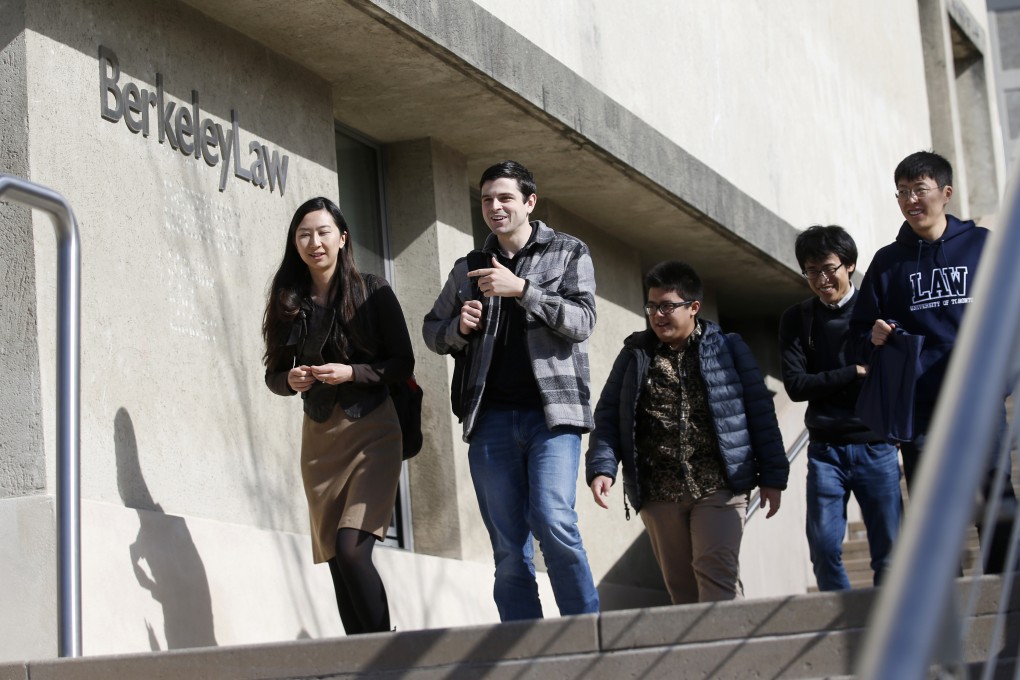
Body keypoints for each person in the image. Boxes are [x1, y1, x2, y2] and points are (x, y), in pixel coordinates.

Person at [422, 160, 600, 621]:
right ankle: (525, 648)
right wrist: (458, 327)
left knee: (554, 522)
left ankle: (587, 633)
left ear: (529, 203)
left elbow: (583, 322)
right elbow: (431, 330)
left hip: (552, 417)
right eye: (486, 199)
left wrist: (523, 290)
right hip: (490, 420)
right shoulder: (470, 267)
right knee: (507, 547)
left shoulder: (568, 252)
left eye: (504, 198)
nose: (495, 207)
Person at [586, 260, 789, 605]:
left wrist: (772, 475)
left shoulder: (728, 348)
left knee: (716, 577)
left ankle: (731, 655)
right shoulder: (635, 354)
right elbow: (608, 415)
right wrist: (602, 467)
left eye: (667, 306)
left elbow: (760, 413)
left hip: (720, 485)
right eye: (652, 306)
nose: (657, 315)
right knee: (683, 592)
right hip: (659, 492)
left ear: (693, 307)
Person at [849, 150, 1013, 573]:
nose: (909, 200)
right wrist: (874, 337)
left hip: (978, 398)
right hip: (919, 407)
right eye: (901, 193)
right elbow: (859, 335)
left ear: (946, 193)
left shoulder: (982, 247)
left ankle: (1005, 595)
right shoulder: (887, 263)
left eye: (918, 190)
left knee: (995, 496)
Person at [262, 196, 414, 634]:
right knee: (336, 560)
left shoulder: (374, 290)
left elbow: (402, 363)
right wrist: (290, 381)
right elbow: (273, 373)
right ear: (296, 243)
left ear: (342, 237)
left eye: (324, 232)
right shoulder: (289, 301)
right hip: (320, 440)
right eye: (304, 234)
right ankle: (361, 660)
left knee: (352, 549)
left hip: (374, 432)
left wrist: (351, 370)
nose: (315, 242)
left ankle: (389, 653)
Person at [779, 225, 902, 590]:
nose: (821, 278)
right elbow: (796, 385)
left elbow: (895, 371)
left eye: (829, 268)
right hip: (825, 449)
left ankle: (885, 629)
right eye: (811, 270)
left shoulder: (877, 309)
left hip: (876, 444)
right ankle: (846, 625)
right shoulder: (798, 319)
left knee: (890, 553)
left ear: (849, 265)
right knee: (823, 547)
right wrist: (853, 372)